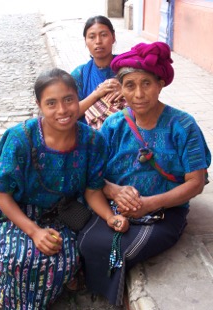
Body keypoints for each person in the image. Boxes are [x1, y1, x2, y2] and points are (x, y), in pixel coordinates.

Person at [77, 42, 211, 307]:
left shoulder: (182, 125)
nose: (138, 94)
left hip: (163, 211)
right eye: (129, 85)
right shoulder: (114, 124)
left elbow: (196, 183)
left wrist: (150, 203)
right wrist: (114, 191)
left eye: (146, 84)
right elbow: (94, 173)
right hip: (114, 205)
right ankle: (101, 289)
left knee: (120, 249)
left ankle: (107, 296)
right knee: (85, 240)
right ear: (121, 88)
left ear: (160, 84)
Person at [0, 68, 129, 310]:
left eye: (69, 100)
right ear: (39, 104)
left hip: (64, 213)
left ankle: (46, 286)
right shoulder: (20, 139)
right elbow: (2, 194)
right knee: (20, 257)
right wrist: (33, 232)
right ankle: (0, 285)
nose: (62, 111)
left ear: (78, 97)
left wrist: (110, 217)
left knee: (66, 259)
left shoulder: (92, 141)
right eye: (51, 103)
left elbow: (93, 190)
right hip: (17, 214)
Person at [71, 15, 126, 128]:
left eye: (104, 35)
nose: (98, 41)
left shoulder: (127, 67)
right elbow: (70, 113)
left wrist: (127, 90)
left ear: (113, 37)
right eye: (92, 37)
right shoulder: (80, 74)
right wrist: (96, 94)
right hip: (90, 137)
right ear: (85, 41)